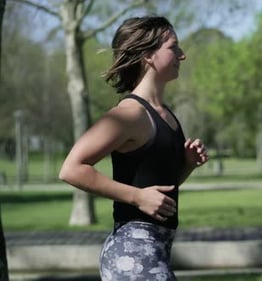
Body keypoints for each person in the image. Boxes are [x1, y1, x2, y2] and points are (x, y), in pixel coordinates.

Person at [59, 15, 208, 281]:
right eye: (173, 47)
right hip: (131, 253)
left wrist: (187, 164)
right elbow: (71, 169)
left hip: (158, 250)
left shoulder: (167, 115)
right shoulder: (129, 114)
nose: (182, 55)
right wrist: (136, 197)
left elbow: (160, 194)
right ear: (148, 55)